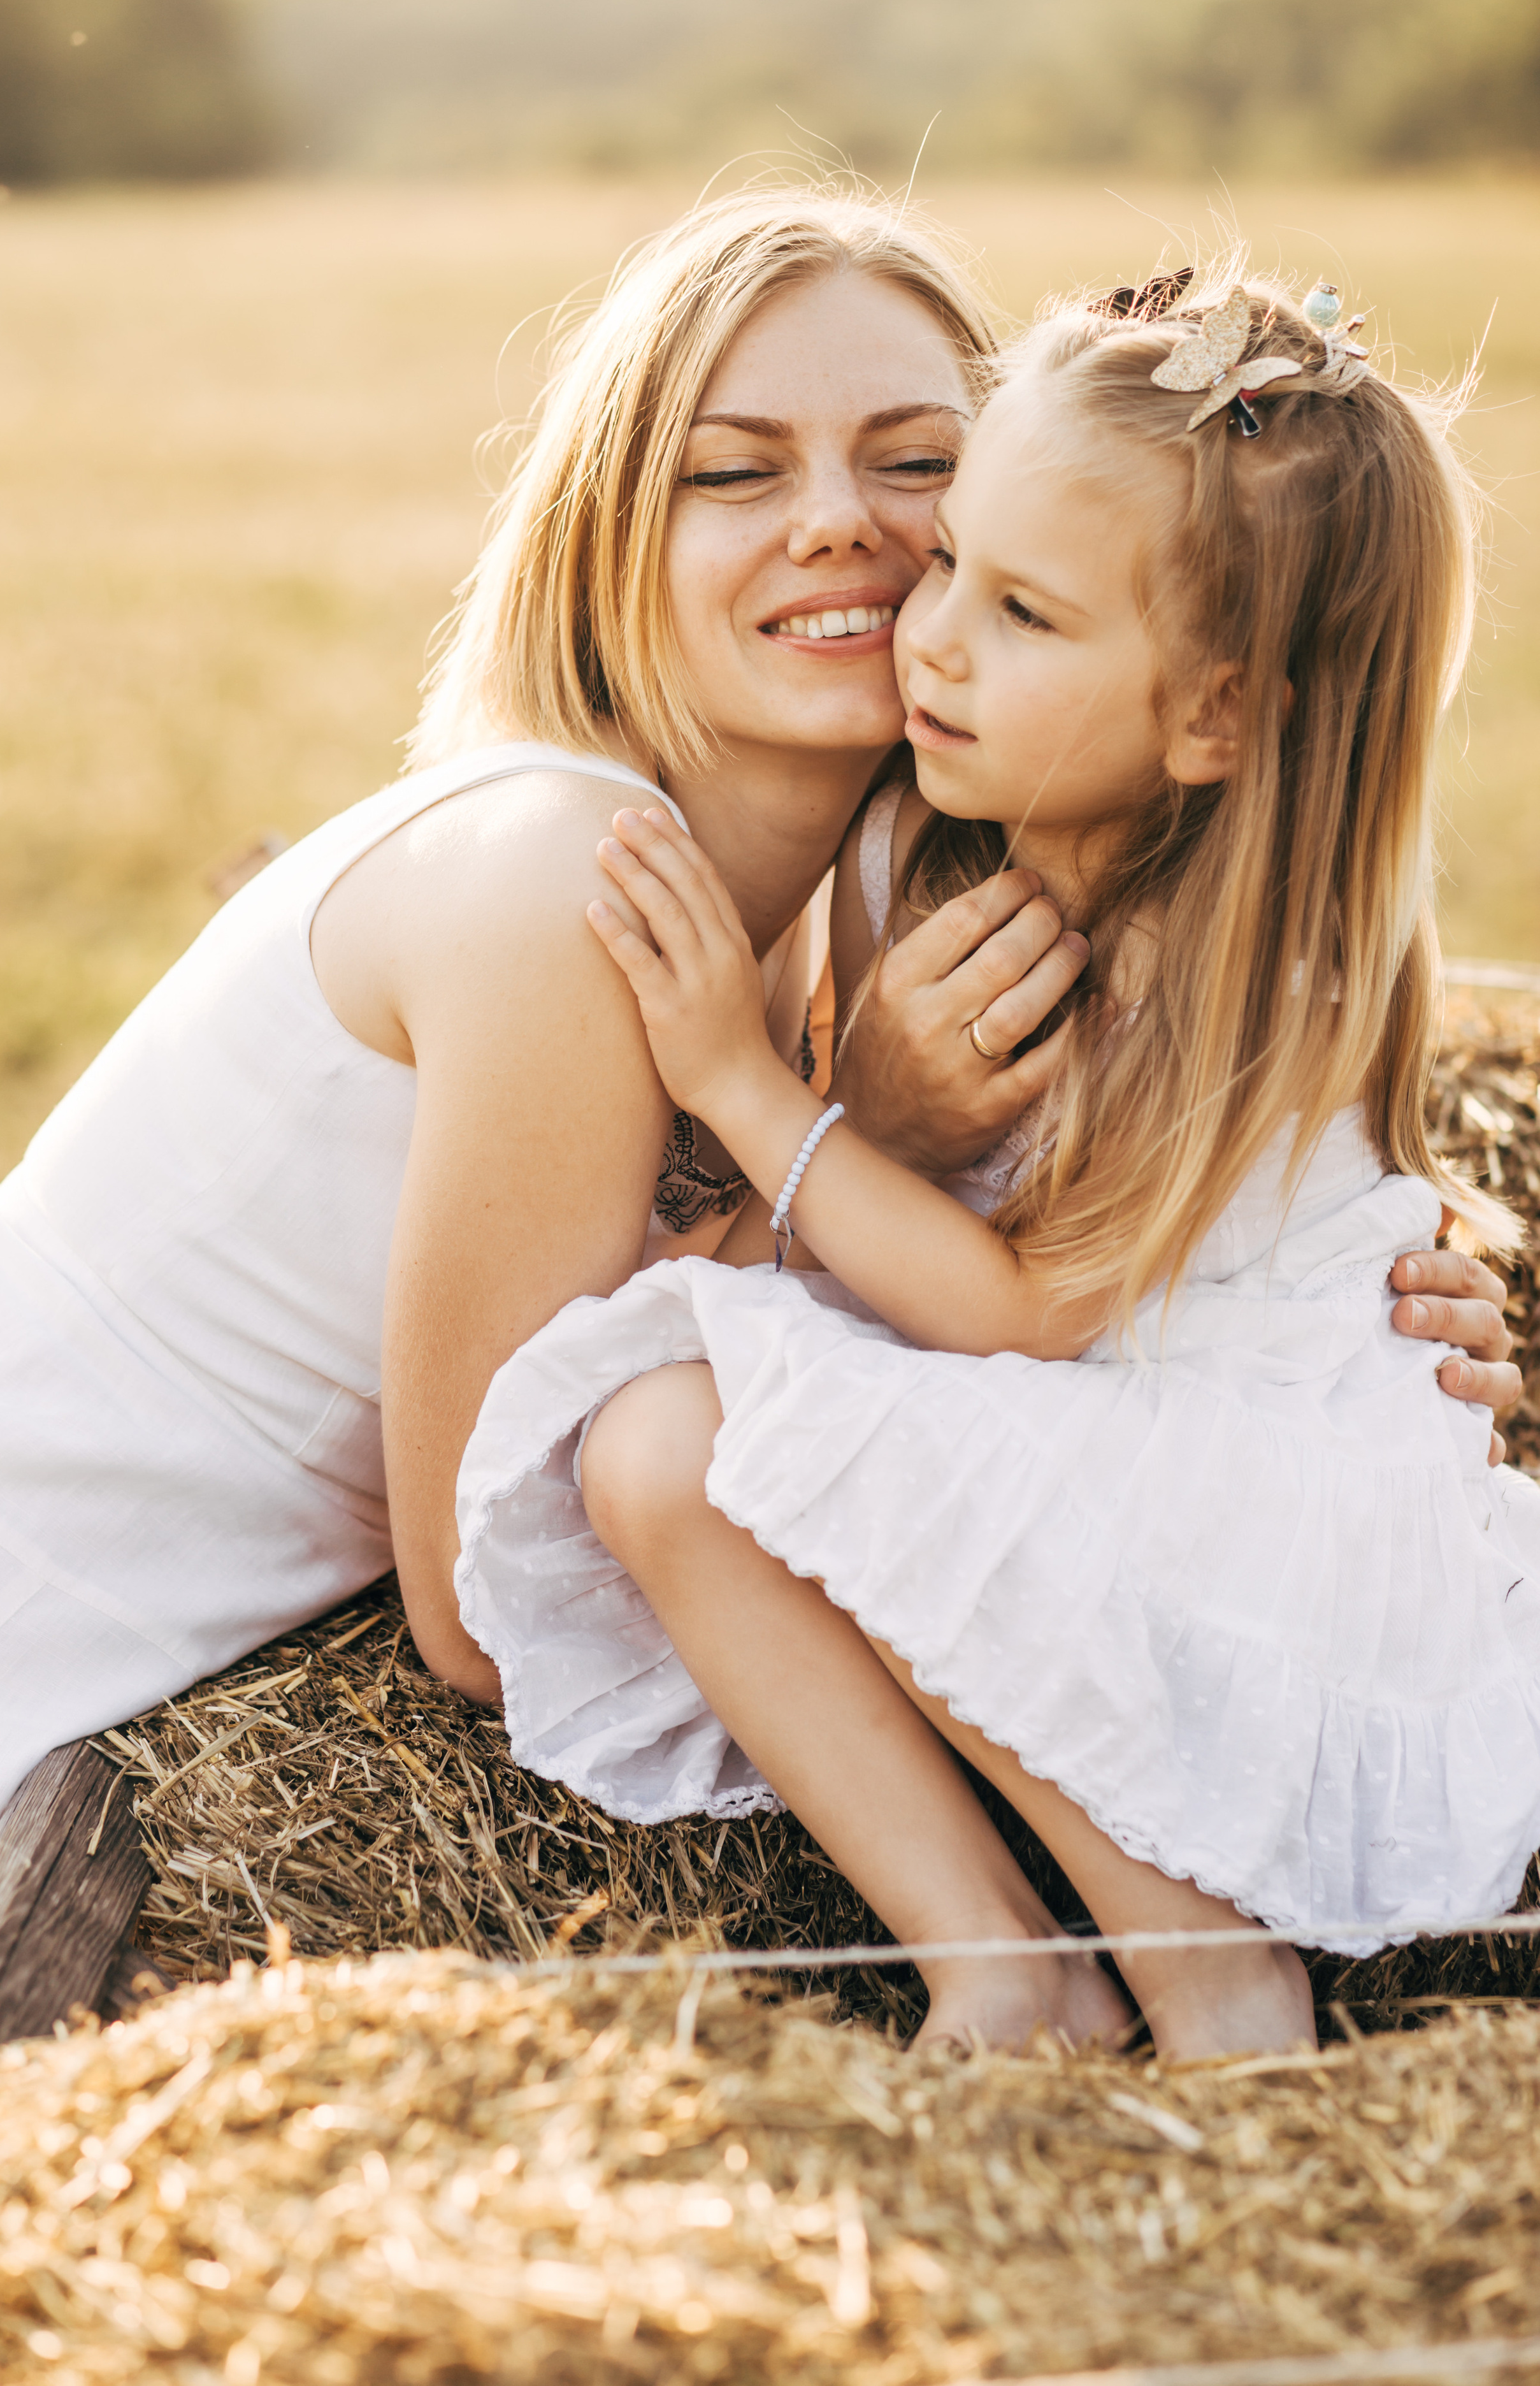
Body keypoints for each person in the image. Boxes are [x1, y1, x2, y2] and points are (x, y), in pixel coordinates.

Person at [454, 265, 1540, 2062]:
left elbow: (1025, 1316)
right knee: (645, 1433)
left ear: (1213, 716)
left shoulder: (1252, 967)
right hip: (1058, 1411)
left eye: (1022, 609)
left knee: (799, 1434)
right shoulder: (918, 840)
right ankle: (1006, 1974)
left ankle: (1216, 1980)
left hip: (1223, 1486)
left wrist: (749, 1086)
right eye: (947, 557)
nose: (930, 634)